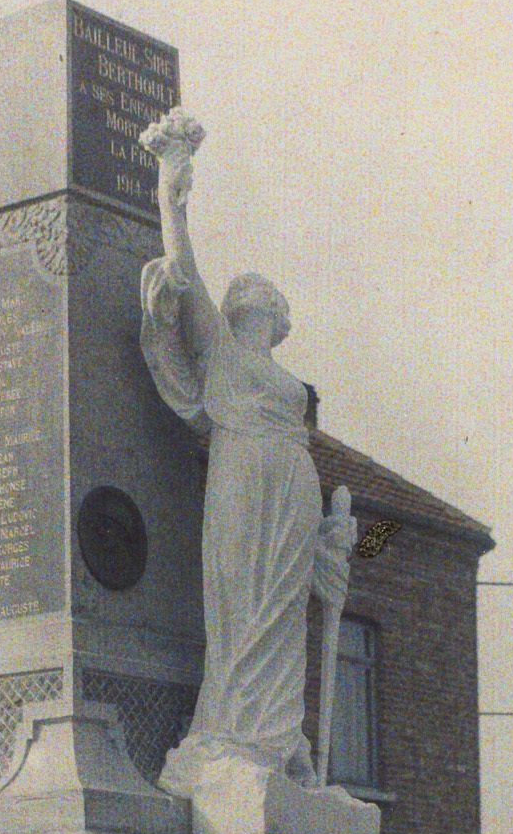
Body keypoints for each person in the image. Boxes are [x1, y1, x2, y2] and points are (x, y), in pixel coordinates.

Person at [138, 107, 356, 796]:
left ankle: (276, 740)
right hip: (239, 471)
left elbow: (382, 537)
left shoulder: (290, 381)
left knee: (284, 609)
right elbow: (181, 261)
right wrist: (171, 179)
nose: (253, 298)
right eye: (249, 294)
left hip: (292, 485)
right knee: (238, 600)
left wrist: (347, 539)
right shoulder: (222, 350)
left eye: (261, 298)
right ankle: (233, 735)